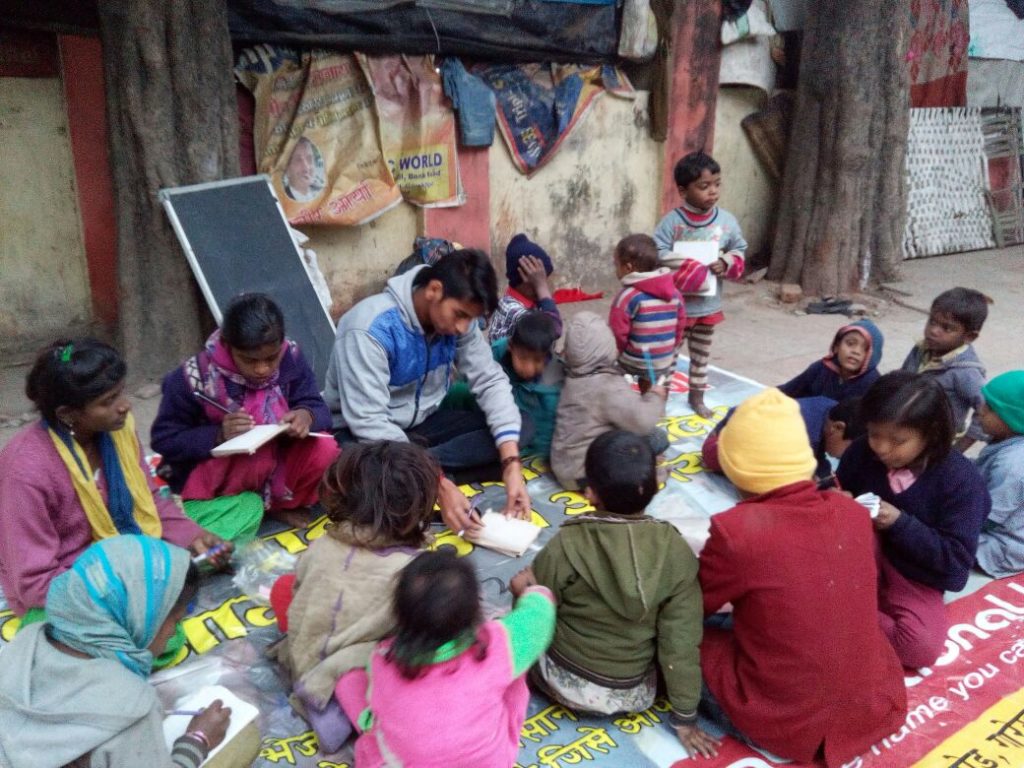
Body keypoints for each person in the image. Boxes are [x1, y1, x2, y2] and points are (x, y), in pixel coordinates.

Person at [700, 388, 907, 766]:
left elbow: (692, 604)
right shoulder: (853, 515)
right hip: (873, 708)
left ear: (735, 467)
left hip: (789, 721)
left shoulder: (737, 531)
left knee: (680, 642)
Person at [0, 339, 228, 620]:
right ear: (67, 415)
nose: (125, 406)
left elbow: (149, 502)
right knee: (157, 639)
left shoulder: (117, 430)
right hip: (71, 583)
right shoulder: (25, 471)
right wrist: (128, 586)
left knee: (243, 509)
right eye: (108, 401)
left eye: (120, 393)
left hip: (128, 550)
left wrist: (194, 536)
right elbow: (36, 584)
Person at [531, 431, 719, 758]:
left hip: (559, 682)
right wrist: (685, 718)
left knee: (523, 608)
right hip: (633, 695)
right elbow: (681, 642)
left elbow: (541, 606)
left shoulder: (566, 542)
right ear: (657, 486)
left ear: (589, 493)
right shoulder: (675, 550)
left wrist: (525, 591)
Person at [324, 248, 531, 534]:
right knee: (359, 465)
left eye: (470, 319)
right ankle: (427, 474)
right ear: (434, 290)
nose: (462, 328)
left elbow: (490, 380)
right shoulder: (369, 328)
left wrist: (511, 462)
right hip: (364, 437)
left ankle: (417, 474)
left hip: (423, 427)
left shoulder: (459, 325)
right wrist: (438, 483)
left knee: (521, 425)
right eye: (459, 315)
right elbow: (369, 422)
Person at [0, 535, 232, 768]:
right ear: (142, 615)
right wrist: (197, 740)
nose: (174, 632)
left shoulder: (23, 645)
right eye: (175, 619)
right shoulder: (131, 709)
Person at [270, 441, 440, 752]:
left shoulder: (320, 546)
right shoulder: (412, 571)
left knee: (284, 588)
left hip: (303, 661)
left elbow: (300, 596)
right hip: (348, 680)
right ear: (412, 512)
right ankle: (344, 710)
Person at [335, 550, 556, 768]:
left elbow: (377, 707)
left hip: (400, 762)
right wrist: (534, 592)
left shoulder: (382, 659)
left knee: (349, 683)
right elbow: (538, 619)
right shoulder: (495, 644)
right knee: (514, 671)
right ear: (475, 608)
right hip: (489, 763)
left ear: (400, 612)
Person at [837, 372, 991, 668]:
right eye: (874, 434)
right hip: (857, 551)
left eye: (898, 440)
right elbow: (841, 488)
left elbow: (955, 564)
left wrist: (900, 523)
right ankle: (838, 602)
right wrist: (836, 499)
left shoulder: (960, 482)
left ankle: (833, 608)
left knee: (919, 647)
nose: (881, 448)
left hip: (912, 572)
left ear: (930, 435)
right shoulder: (862, 452)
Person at [152, 293, 338, 534]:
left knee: (326, 450)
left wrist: (306, 415)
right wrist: (218, 435)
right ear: (227, 346)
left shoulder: (290, 357)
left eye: (271, 358)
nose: (263, 369)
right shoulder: (192, 377)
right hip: (222, 473)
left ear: (281, 343)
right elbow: (164, 440)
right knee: (256, 457)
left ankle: (276, 505)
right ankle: (249, 505)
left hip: (278, 462)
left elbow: (318, 407)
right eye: (249, 360)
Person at [654, 151, 747, 418]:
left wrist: (726, 262)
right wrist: (685, 264)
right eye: (704, 186)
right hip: (676, 306)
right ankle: (659, 398)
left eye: (717, 184)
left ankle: (697, 397)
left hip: (707, 306)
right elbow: (657, 251)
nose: (713, 191)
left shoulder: (726, 222)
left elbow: (739, 248)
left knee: (701, 356)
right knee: (668, 356)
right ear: (683, 191)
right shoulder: (672, 223)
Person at [550, 312, 668, 491]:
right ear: (608, 346)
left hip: (564, 467)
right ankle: (642, 481)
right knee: (656, 438)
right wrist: (655, 396)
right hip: (589, 474)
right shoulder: (607, 386)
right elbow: (642, 422)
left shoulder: (574, 376)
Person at [900, 287, 990, 450]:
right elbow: (901, 380)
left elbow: (985, 409)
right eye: (932, 321)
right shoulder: (921, 349)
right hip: (905, 429)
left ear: (969, 337)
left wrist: (958, 449)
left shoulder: (966, 372)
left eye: (947, 328)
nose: (933, 331)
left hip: (936, 445)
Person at [703, 395, 864, 484]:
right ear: (837, 428)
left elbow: (819, 458)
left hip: (740, 421)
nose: (844, 456)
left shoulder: (830, 407)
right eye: (848, 449)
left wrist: (827, 478)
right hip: (722, 446)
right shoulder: (804, 436)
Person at [608, 233, 686, 385]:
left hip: (633, 360)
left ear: (628, 267)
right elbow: (680, 326)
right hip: (663, 359)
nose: (615, 269)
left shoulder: (627, 296)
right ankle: (653, 403)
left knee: (611, 374)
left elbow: (617, 334)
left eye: (616, 264)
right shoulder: (675, 293)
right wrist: (669, 348)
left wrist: (617, 354)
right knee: (652, 385)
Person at [970, 372, 1024, 578]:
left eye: (990, 408)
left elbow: (987, 518)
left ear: (1013, 419)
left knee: (933, 544)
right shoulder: (1006, 441)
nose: (980, 411)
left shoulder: (1013, 465)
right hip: (999, 522)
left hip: (1003, 546)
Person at [779, 318, 884, 401]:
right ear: (836, 346)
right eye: (850, 343)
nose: (856, 351)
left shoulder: (873, 386)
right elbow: (788, 390)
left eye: (866, 349)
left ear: (874, 356)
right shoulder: (821, 368)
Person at [488, 233, 563, 342]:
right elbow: (554, 330)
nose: (545, 284)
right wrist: (542, 288)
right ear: (524, 280)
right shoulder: (512, 310)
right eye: (540, 279)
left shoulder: (524, 302)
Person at [283, 136, 324, 203]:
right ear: (287, 169)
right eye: (298, 160)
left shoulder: (322, 191)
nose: (306, 167)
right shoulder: (282, 201)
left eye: (309, 159)